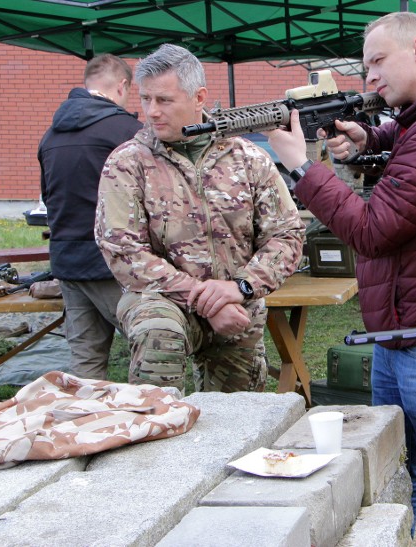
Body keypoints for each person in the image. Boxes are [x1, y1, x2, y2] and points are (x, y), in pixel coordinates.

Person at [266, 12, 416, 546]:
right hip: (401, 335)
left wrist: (302, 170)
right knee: (398, 481)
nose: (369, 77)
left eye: (378, 61)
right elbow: (404, 144)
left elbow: (374, 232)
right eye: (365, 65)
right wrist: (365, 137)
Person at [95, 44, 305, 394]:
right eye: (145, 99)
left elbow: (287, 235)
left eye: (164, 100)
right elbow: (122, 250)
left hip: (237, 305)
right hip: (161, 301)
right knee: (159, 337)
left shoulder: (247, 158)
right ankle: (157, 437)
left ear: (199, 97)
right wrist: (200, 298)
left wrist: (240, 287)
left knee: (240, 420)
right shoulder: (127, 163)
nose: (151, 111)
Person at [38, 54, 142, 380]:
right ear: (123, 86)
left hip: (67, 261)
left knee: (86, 364)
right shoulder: (127, 129)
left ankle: (86, 426)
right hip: (115, 262)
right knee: (152, 347)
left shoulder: (50, 136)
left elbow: (47, 198)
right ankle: (154, 421)